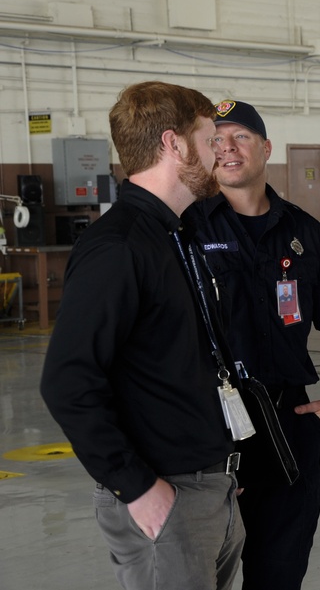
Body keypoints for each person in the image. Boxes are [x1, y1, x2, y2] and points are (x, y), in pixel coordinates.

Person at [40, 81, 244, 590]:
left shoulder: (174, 234)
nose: (219, 151)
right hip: (165, 495)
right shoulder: (120, 247)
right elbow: (67, 381)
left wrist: (216, 468)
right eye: (207, 139)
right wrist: (136, 487)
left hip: (205, 485)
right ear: (173, 145)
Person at [186, 100, 320, 590]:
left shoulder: (303, 231)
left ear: (266, 148)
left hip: (288, 419)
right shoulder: (186, 230)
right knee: (201, 571)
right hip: (212, 426)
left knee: (280, 570)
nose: (227, 148)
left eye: (240, 136)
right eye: (216, 139)